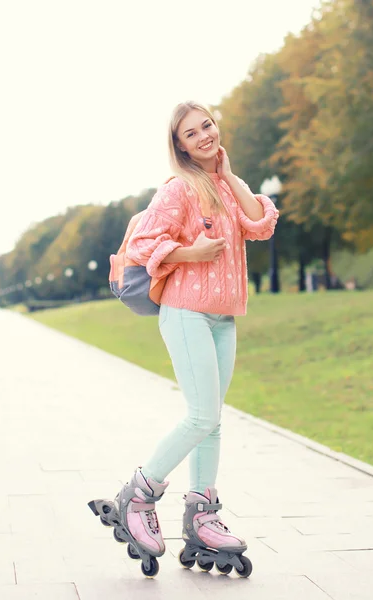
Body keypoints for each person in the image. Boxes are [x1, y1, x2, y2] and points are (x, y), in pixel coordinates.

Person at [89, 101, 278, 577]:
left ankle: (202, 517)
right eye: (191, 134)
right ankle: (138, 495)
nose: (203, 137)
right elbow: (143, 243)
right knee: (200, 415)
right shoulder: (178, 189)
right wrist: (190, 253)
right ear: (180, 146)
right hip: (185, 311)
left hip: (222, 317)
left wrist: (231, 176)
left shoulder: (227, 187)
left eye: (207, 126)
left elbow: (261, 224)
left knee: (212, 421)